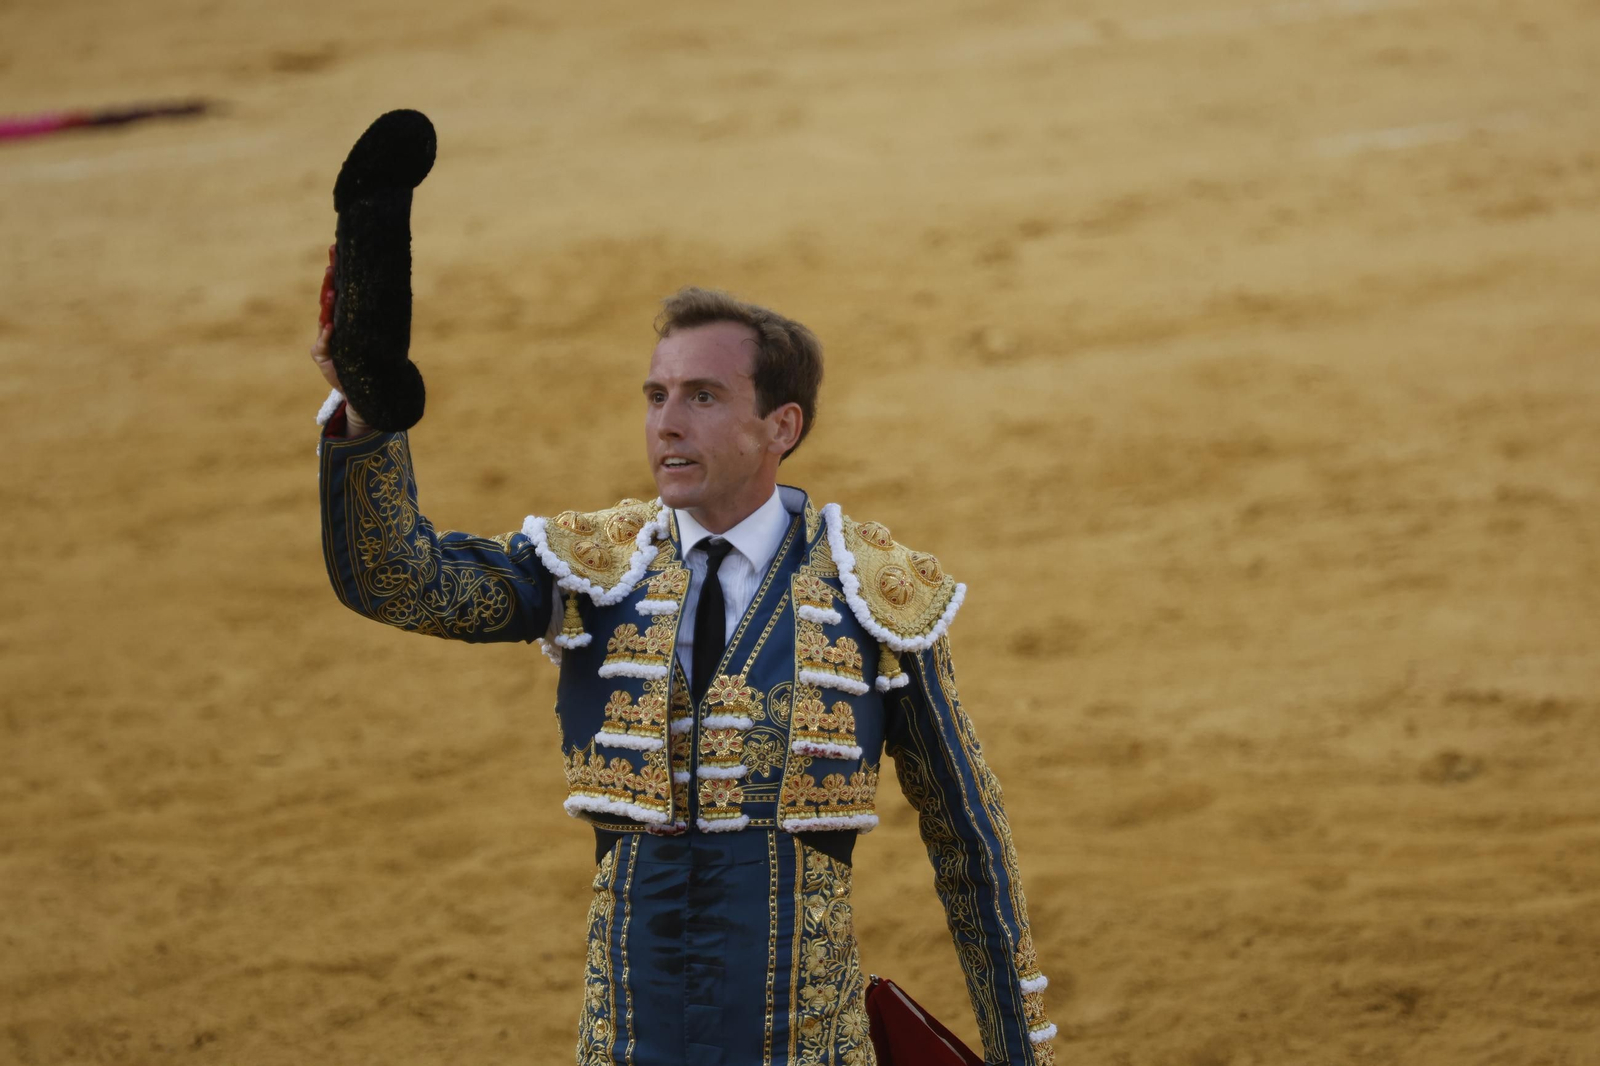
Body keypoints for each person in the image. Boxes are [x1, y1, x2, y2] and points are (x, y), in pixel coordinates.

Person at [309, 282, 1058, 1065]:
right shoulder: (596, 567)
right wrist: (367, 417)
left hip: (803, 1047)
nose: (666, 422)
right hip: (632, 1041)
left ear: (782, 426)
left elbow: (969, 841)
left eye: (702, 396)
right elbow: (399, 578)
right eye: (656, 395)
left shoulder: (876, 594)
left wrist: (1019, 1056)